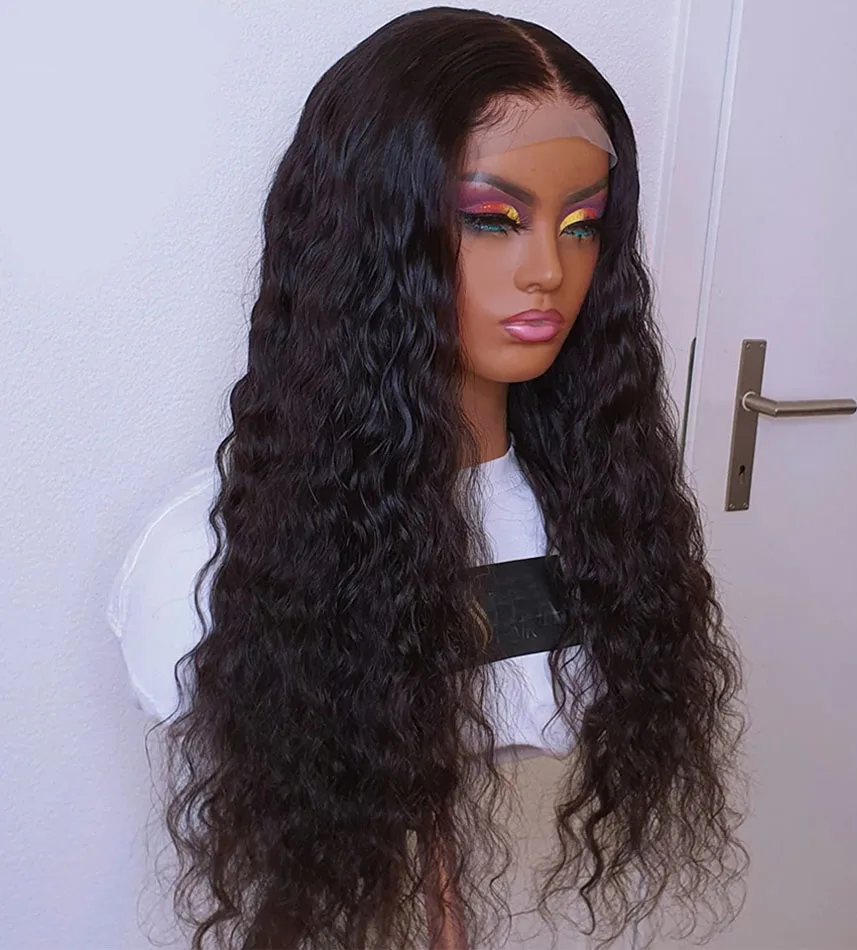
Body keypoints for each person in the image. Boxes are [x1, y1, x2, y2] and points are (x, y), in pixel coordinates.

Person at [108, 7, 746, 949]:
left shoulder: (602, 525)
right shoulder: (202, 564)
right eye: (492, 219)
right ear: (373, 233)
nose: (548, 271)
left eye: (582, 225)